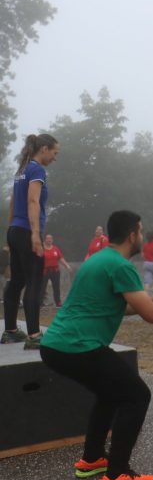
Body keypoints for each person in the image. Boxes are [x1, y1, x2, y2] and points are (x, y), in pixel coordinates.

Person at [40, 210, 153, 480]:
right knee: (137, 395)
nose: (143, 237)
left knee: (110, 393)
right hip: (78, 346)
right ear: (132, 235)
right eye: (141, 231)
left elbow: (131, 305)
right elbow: (152, 317)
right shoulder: (120, 266)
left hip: (57, 346)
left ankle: (93, 459)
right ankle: (117, 474)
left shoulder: (98, 260)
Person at [3, 134, 59, 348]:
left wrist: (11, 233)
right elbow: (33, 201)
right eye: (55, 153)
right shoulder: (36, 169)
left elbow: (12, 204)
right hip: (27, 231)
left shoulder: (21, 170)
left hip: (15, 230)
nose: (55, 157)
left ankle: (10, 331)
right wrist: (35, 234)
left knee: (17, 280)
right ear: (44, 149)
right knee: (34, 281)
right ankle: (35, 336)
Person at [41, 233, 72, 307]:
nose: (49, 240)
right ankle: (40, 302)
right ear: (45, 240)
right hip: (45, 271)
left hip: (55, 270)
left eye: (50, 239)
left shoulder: (55, 249)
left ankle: (58, 302)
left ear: (52, 240)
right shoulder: (42, 248)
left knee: (56, 287)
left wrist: (67, 266)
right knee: (42, 287)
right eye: (47, 238)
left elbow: (61, 258)